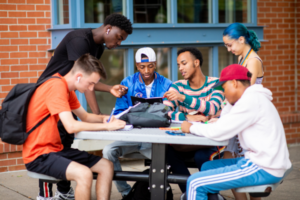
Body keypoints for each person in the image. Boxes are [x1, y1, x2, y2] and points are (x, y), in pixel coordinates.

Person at [36, 14, 132, 200]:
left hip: (67, 93)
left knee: (65, 144)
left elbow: (89, 82)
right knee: (50, 145)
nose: (119, 42)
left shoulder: (97, 47)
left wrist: (109, 89)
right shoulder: (79, 40)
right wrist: (97, 114)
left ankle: (64, 191)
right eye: (119, 37)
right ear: (108, 28)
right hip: (48, 96)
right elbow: (85, 79)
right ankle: (45, 195)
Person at [181, 64, 291, 200]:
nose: (223, 93)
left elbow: (220, 131)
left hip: (263, 167)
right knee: (207, 166)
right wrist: (229, 102)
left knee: (195, 182)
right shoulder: (249, 98)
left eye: (224, 88)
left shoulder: (250, 101)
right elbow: (224, 122)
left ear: (234, 83)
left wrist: (190, 127)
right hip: (264, 162)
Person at [23, 54, 126, 200]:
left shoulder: (67, 89)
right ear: (78, 77)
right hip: (39, 155)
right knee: (84, 173)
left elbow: (85, 117)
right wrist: (108, 127)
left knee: (106, 166)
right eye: (90, 83)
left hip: (56, 150)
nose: (92, 88)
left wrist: (104, 119)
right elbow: (71, 126)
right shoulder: (56, 86)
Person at [103, 47, 172, 198]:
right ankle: (126, 192)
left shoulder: (166, 84)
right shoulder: (127, 83)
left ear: (155, 64)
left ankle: (159, 191)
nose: (146, 70)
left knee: (169, 158)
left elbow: (170, 113)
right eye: (142, 66)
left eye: (150, 66)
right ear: (136, 66)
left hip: (156, 140)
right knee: (108, 151)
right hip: (132, 137)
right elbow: (119, 112)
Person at [163, 47, 225, 193]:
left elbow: (212, 109)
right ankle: (189, 193)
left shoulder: (216, 83)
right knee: (167, 152)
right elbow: (164, 112)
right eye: (178, 65)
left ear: (196, 62)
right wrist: (187, 117)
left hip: (210, 141)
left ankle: (210, 194)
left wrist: (183, 98)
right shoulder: (177, 86)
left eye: (184, 63)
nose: (180, 68)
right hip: (187, 142)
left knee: (201, 156)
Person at [222, 22, 264, 200]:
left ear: (241, 39)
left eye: (229, 45)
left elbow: (245, 94)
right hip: (239, 115)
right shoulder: (242, 57)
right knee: (228, 163)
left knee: (250, 171)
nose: (228, 49)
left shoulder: (253, 61)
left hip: (248, 119)